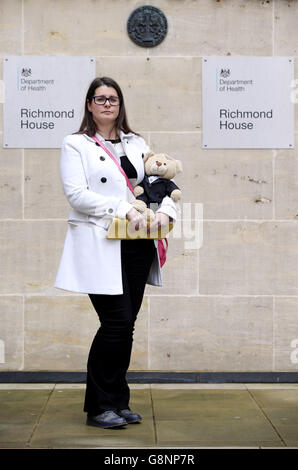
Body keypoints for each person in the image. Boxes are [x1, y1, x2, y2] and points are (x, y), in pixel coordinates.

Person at [54, 77, 177, 429]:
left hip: (138, 244)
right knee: (116, 322)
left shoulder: (136, 142)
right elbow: (77, 195)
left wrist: (168, 211)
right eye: (100, 98)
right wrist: (124, 210)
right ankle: (98, 406)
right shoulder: (75, 144)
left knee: (127, 326)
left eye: (114, 99)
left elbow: (159, 181)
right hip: (101, 244)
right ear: (89, 105)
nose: (108, 104)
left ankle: (118, 401)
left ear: (120, 105)